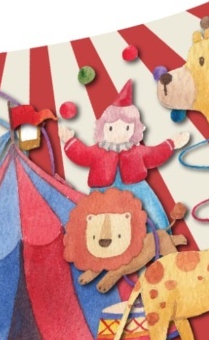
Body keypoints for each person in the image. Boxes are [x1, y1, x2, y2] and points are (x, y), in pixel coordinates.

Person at [58, 81, 188, 231]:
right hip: (102, 193)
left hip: (137, 190)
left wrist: (171, 143)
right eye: (111, 128)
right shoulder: (97, 152)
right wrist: (70, 140)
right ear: (103, 128)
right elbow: (81, 154)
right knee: (97, 224)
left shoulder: (137, 151)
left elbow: (155, 154)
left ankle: (162, 237)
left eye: (126, 127)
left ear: (135, 129)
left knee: (153, 214)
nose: (119, 133)